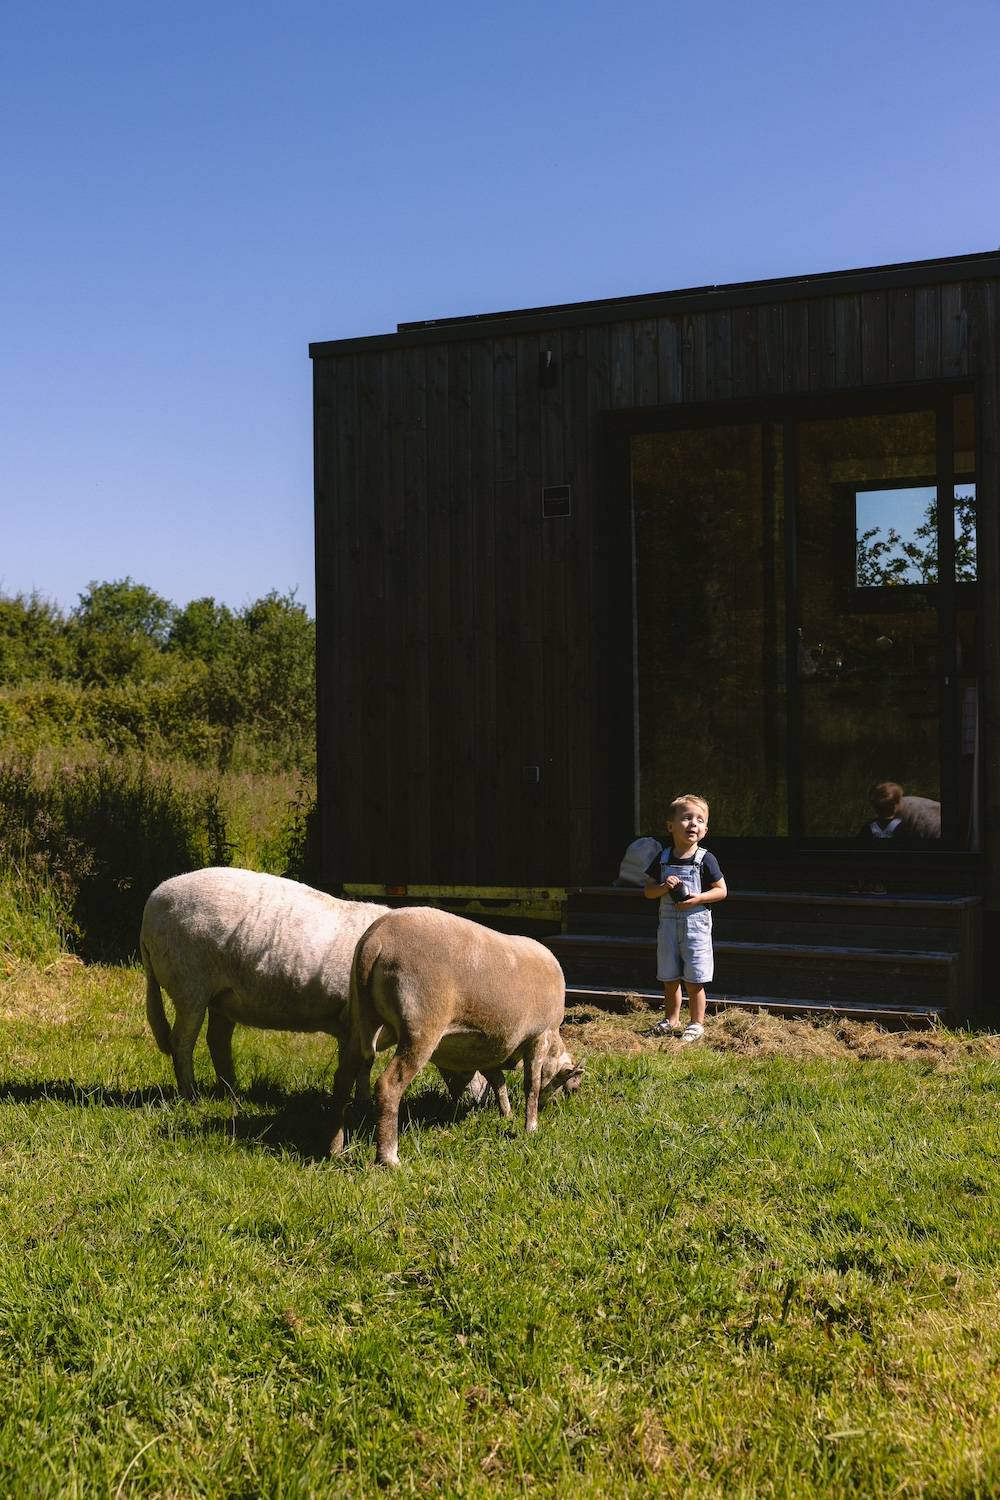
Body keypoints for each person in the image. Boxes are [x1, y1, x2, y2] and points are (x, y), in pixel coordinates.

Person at [640, 793, 727, 1044]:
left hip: (695, 927)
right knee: (669, 977)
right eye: (687, 818)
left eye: (700, 820)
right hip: (667, 926)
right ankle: (671, 1019)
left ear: (705, 829)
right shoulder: (663, 858)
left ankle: (697, 1023)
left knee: (695, 979)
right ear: (670, 826)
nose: (693, 824)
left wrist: (698, 898)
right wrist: (664, 887)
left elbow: (721, 890)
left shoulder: (705, 859)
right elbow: (648, 891)